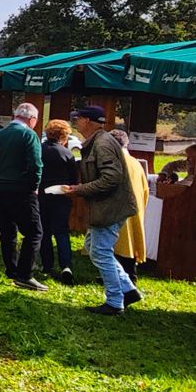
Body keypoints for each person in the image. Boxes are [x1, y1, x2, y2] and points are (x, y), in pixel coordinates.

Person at [64, 106, 141, 315]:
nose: (75, 123)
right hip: (108, 206)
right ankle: (128, 289)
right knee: (93, 246)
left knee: (100, 251)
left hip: (109, 207)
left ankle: (115, 301)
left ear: (88, 121)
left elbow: (111, 178)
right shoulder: (99, 142)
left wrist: (79, 189)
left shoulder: (103, 143)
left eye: (77, 119)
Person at [0, 102, 47, 291]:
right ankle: (25, 274)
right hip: (21, 190)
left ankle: (11, 269)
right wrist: (34, 187)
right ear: (32, 119)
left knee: (8, 231)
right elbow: (35, 165)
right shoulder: (29, 135)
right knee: (34, 232)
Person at [37, 119, 77, 283]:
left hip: (41, 195)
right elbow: (73, 178)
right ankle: (66, 265)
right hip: (61, 196)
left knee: (44, 231)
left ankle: (47, 265)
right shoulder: (67, 154)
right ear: (64, 136)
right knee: (61, 231)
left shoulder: (39, 150)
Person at [109, 129, 150, 281]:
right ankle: (123, 275)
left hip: (117, 209)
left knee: (118, 246)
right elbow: (145, 189)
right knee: (128, 244)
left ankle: (127, 279)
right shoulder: (136, 163)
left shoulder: (115, 162)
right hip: (134, 209)